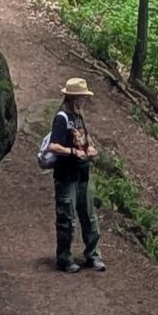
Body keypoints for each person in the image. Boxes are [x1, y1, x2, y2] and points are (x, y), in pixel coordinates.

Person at [47, 77, 103, 273]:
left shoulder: (79, 117)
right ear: (72, 98)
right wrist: (72, 152)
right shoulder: (61, 118)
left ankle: (93, 255)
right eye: (81, 97)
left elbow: (83, 142)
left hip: (83, 174)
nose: (84, 101)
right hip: (66, 175)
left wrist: (90, 150)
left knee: (89, 216)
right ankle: (64, 258)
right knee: (66, 217)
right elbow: (53, 146)